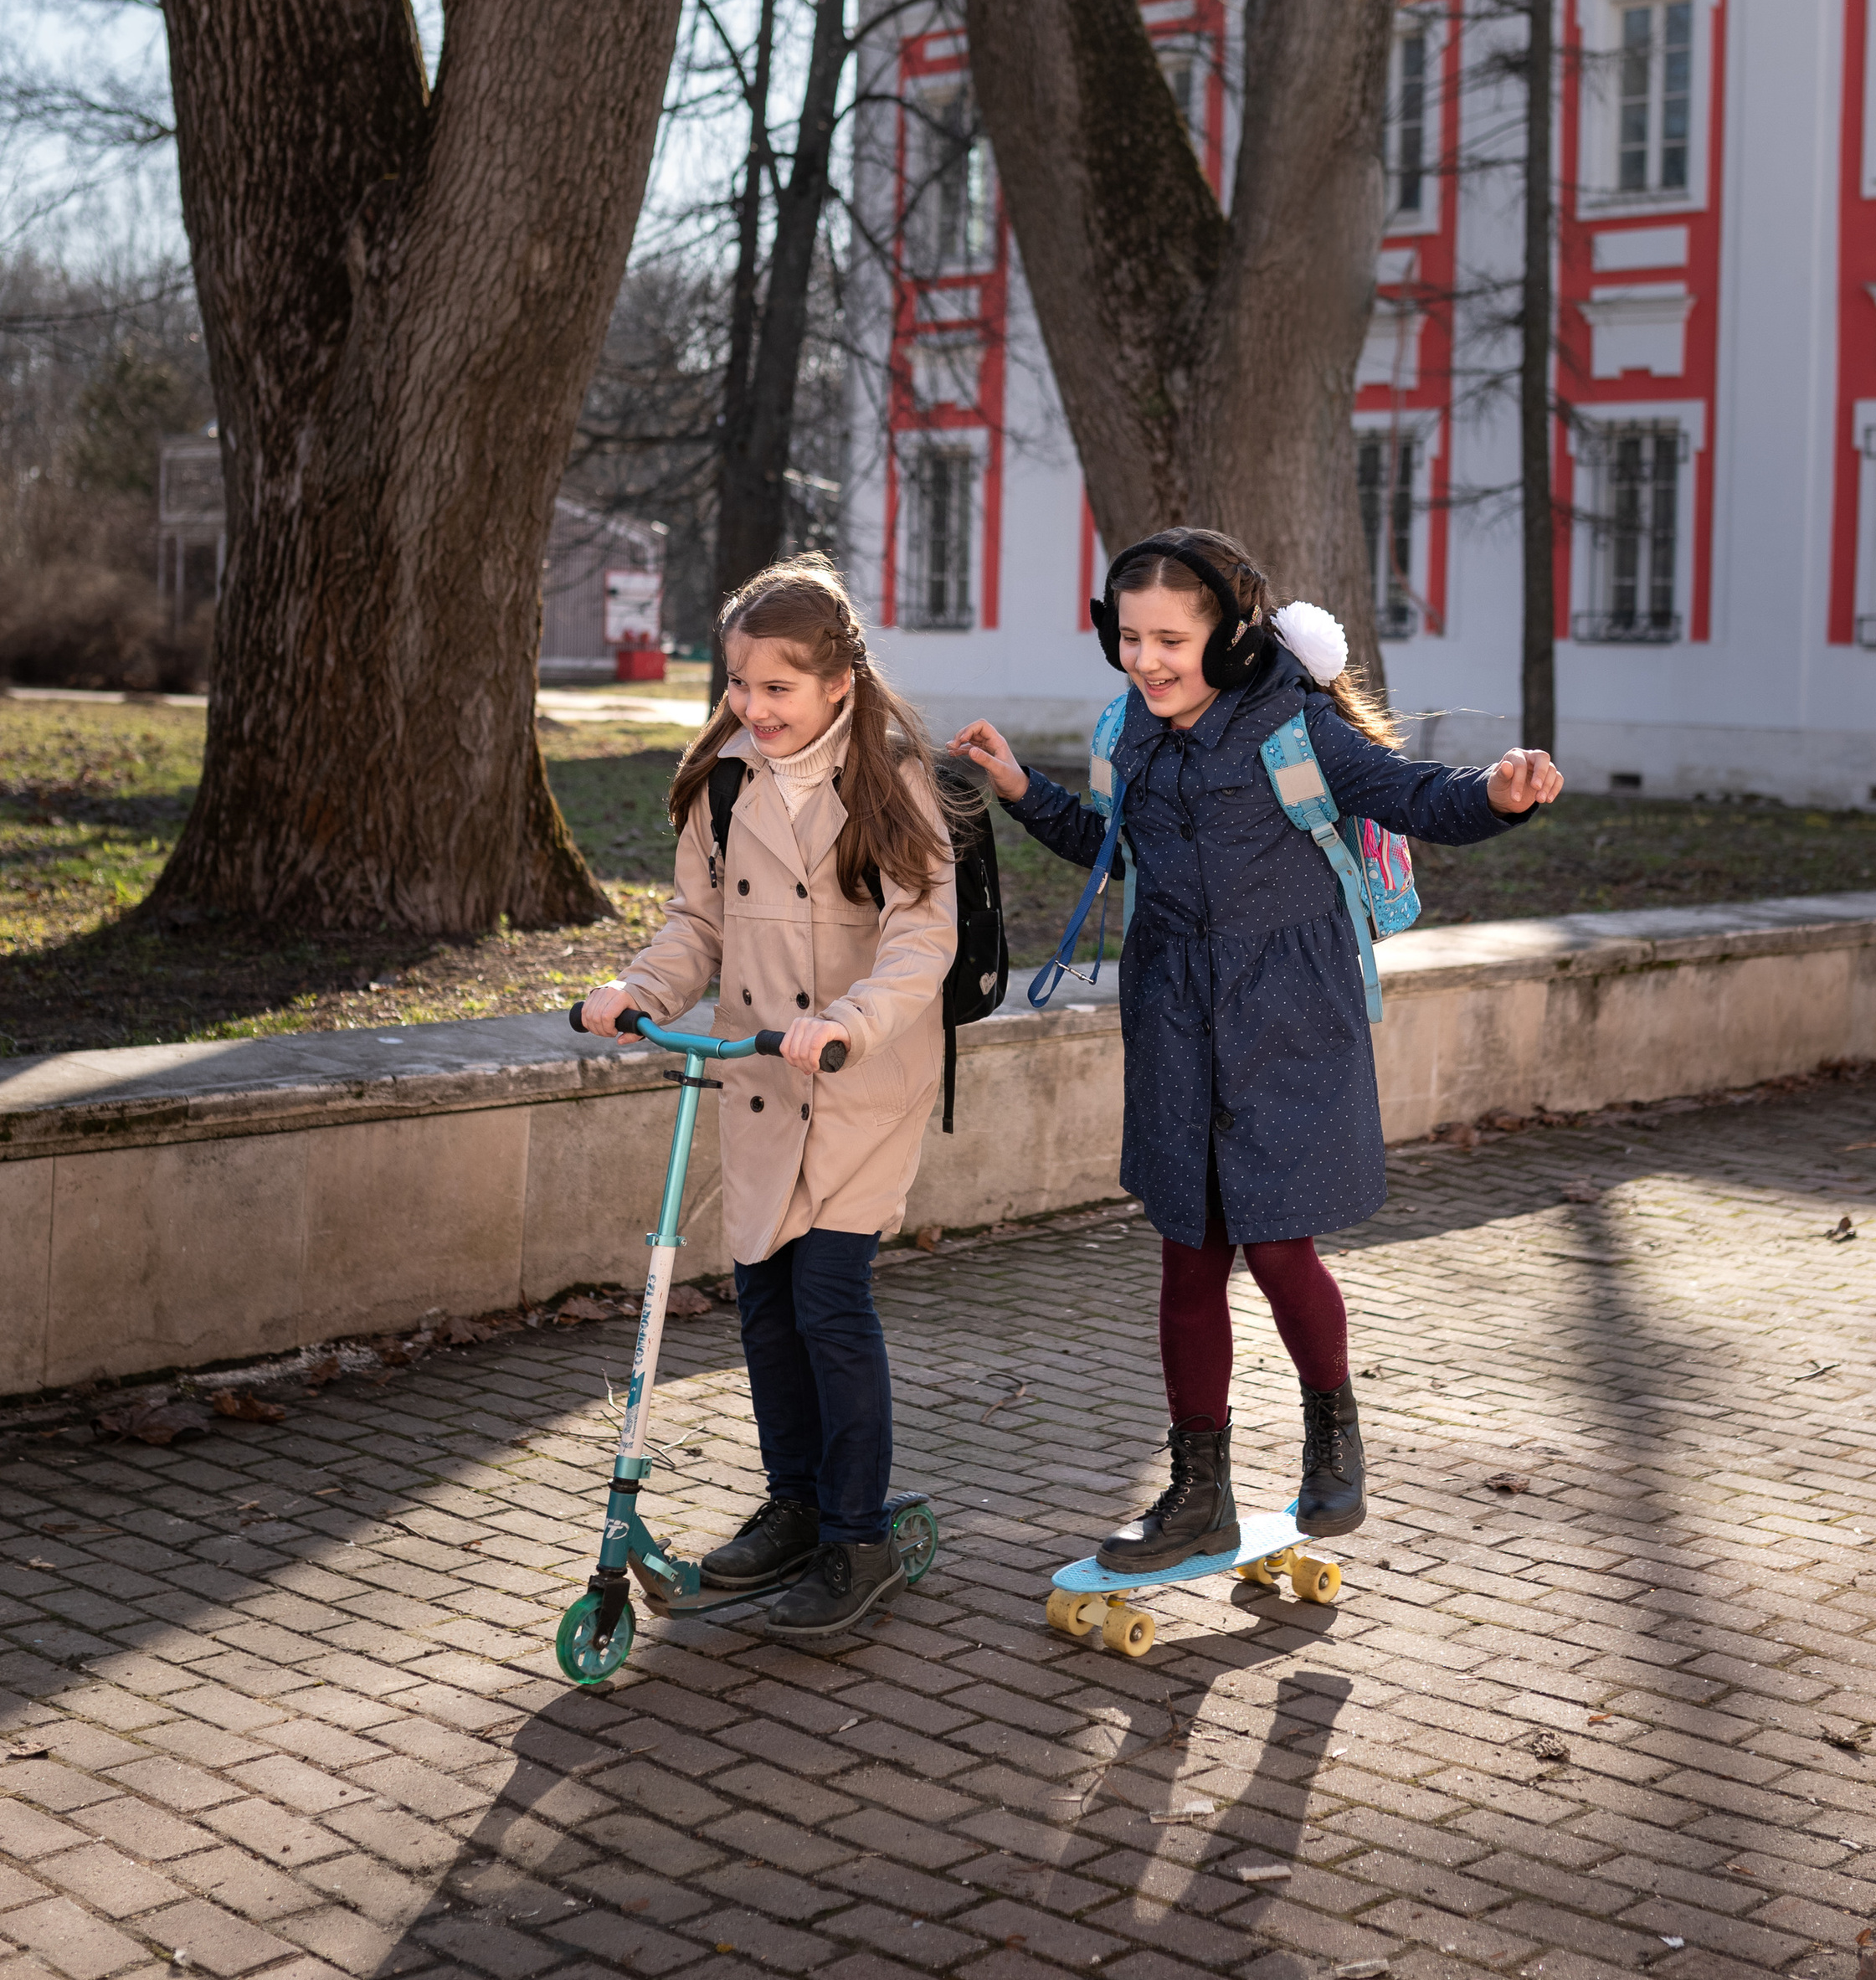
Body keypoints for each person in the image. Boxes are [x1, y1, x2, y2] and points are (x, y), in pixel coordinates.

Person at [952, 527, 1561, 1573]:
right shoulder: (1126, 730)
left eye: (1170, 640)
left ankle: (1334, 1435)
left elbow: (1411, 794)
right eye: (1129, 637)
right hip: (1175, 1013)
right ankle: (1199, 1495)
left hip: (1290, 1010)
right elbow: (1105, 843)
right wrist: (1017, 787)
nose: (1145, 661)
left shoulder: (1294, 723)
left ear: (1230, 639)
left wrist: (1497, 795)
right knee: (1187, 1255)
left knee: (1280, 1247)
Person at [579, 555, 956, 1642]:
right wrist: (638, 988)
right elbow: (698, 926)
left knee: (831, 1300)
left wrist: (850, 1022)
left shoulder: (888, 779)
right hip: (755, 1074)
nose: (754, 706)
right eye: (739, 683)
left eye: (778, 687)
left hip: (854, 1080)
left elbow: (921, 935)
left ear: (839, 681)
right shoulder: (728, 780)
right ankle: (794, 1505)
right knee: (767, 1306)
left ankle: (856, 1537)